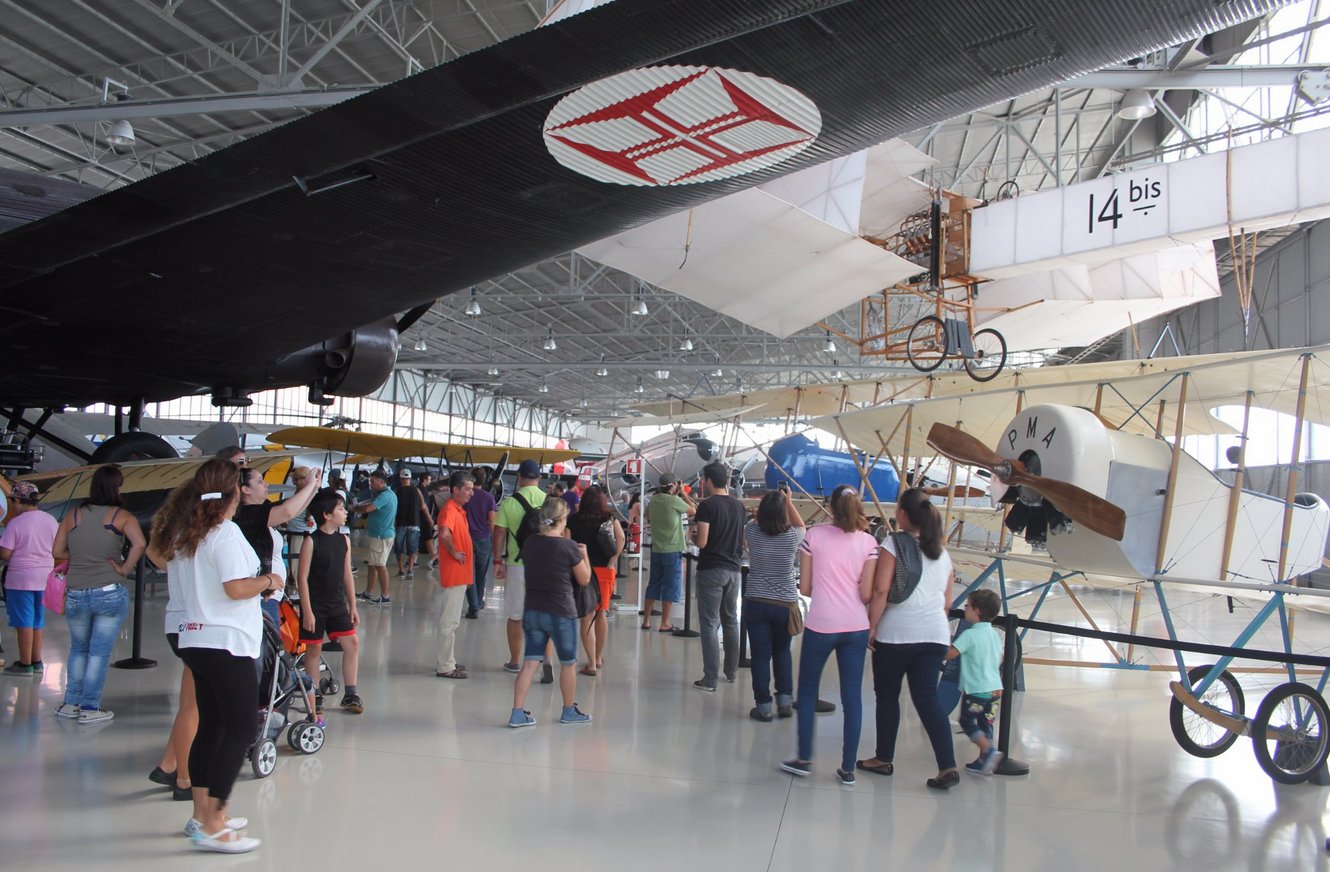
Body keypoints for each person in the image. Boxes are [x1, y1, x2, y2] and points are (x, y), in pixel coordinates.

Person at [150, 458, 280, 854]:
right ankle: (213, 824)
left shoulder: (192, 533)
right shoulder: (224, 535)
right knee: (240, 730)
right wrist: (269, 580)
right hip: (226, 642)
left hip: (197, 639)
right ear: (234, 494)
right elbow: (235, 588)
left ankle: (205, 814)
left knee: (213, 727)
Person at [857, 487, 959, 790]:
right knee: (927, 698)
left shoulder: (893, 544)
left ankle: (883, 759)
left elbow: (881, 590)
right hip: (935, 635)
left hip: (897, 634)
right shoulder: (943, 553)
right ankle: (947, 765)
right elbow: (947, 603)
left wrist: (871, 626)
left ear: (903, 514)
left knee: (888, 696)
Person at [780, 489, 877, 786]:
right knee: (852, 698)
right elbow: (865, 593)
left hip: (822, 624)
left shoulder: (815, 536)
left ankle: (804, 758)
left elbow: (805, 588)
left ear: (830, 507)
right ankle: (848, 767)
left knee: (807, 692)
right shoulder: (869, 542)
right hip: (856, 626)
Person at [51, 464, 146, 723]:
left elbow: (57, 551)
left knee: (78, 649)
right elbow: (140, 543)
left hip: (77, 591)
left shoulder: (74, 515)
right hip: (108, 591)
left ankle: (70, 704)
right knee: (98, 653)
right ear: (116, 487)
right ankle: (90, 708)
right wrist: (125, 567)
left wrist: (81, 556)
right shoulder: (122, 516)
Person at [508, 498, 593, 728]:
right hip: (561, 612)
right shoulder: (568, 547)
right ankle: (568, 710)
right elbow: (584, 579)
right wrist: (584, 555)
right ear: (562, 520)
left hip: (533, 610)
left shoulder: (531, 543)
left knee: (530, 663)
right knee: (568, 663)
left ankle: (517, 712)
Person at [743, 488, 805, 721]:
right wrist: (787, 501)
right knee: (782, 652)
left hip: (756, 600)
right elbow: (801, 525)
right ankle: (785, 700)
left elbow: (757, 521)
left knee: (760, 656)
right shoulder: (792, 536)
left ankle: (763, 706)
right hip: (784, 603)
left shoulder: (752, 531)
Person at [297, 491, 362, 713]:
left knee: (351, 643)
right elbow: (301, 578)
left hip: (336, 603)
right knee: (313, 650)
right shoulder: (310, 541)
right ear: (327, 515)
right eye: (341, 509)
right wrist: (307, 611)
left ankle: (351, 694)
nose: (345, 512)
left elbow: (346, 575)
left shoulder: (344, 540)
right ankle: (314, 695)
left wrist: (352, 605)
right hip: (315, 604)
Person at [234, 465, 321, 621]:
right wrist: (309, 486)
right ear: (246, 490)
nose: (266, 484)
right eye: (260, 481)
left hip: (269, 594)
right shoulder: (247, 513)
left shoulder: (261, 509)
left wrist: (313, 488)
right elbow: (287, 511)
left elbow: (293, 510)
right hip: (260, 596)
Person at [691, 462, 746, 692]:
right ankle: (731, 672)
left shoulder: (707, 506)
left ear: (709, 481)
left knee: (710, 624)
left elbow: (702, 541)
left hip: (712, 569)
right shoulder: (739, 506)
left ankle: (710, 678)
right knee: (730, 620)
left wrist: (693, 536)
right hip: (734, 570)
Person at [494, 459, 552, 677]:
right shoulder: (549, 502)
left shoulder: (509, 503)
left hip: (518, 564)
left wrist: (497, 561)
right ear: (539, 478)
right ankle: (546, 660)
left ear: (519, 477)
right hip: (545, 567)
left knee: (516, 616)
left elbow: (499, 533)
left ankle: (516, 661)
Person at [1, 481, 58, 676]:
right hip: (45, 578)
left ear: (18, 500)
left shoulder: (15, 523)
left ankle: (25, 664)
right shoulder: (51, 520)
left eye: (12, 502)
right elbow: (57, 548)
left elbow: (5, 554)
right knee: (37, 619)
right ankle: (37, 661)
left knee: (23, 621)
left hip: (21, 579)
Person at [566, 485, 624, 674]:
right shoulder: (609, 518)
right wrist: (612, 560)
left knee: (586, 616)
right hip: (605, 570)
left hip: (582, 569)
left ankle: (590, 663)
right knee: (601, 613)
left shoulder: (574, 520)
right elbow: (621, 538)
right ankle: (598, 658)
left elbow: (567, 543)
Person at [946, 589, 1004, 775]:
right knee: (986, 723)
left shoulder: (970, 635)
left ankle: (988, 751)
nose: (965, 609)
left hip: (977, 691)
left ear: (977, 611)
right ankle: (983, 761)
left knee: (967, 721)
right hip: (995, 689)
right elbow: (1001, 658)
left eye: (968, 606)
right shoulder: (994, 634)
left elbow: (951, 654)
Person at [642, 473, 694, 632]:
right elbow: (693, 510)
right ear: (673, 485)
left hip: (657, 549)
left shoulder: (654, 500)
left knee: (654, 583)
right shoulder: (674, 500)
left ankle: (646, 620)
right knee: (670, 585)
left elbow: (648, 518)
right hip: (672, 549)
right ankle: (665, 622)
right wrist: (684, 494)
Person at [434, 471, 474, 679]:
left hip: (460, 574)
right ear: (455, 489)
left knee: (452, 622)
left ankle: (449, 660)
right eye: (466, 489)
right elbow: (444, 532)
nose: (470, 493)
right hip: (454, 573)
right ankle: (445, 665)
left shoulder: (458, 510)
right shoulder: (450, 510)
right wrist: (453, 552)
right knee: (449, 622)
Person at [355, 471, 397, 604]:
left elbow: (369, 509)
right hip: (379, 535)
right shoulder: (388, 494)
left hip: (381, 536)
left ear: (381, 481)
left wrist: (354, 508)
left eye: (372, 482)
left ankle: (385, 596)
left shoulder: (384, 496)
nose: (371, 485)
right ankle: (368, 592)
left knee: (379, 565)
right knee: (372, 565)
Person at [463, 465, 496, 619]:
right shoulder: (489, 498)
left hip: (467, 538)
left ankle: (473, 605)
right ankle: (478, 601)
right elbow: (491, 521)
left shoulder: (465, 495)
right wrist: (496, 541)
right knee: (481, 573)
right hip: (483, 539)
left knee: (469, 573)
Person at [283, 467, 317, 580]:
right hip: (297, 532)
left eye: (296, 479)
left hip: (300, 534)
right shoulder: (300, 492)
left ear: (304, 479)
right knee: (296, 562)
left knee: (297, 563)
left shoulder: (308, 493)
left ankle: (298, 590)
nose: (295, 482)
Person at [393, 468, 427, 580]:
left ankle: (401, 570)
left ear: (401, 479)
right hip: (414, 523)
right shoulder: (417, 491)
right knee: (412, 548)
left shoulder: (396, 491)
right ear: (410, 479)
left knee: (399, 548)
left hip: (400, 523)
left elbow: (393, 507)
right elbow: (423, 506)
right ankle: (410, 570)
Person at [417, 471, 438, 569]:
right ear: (425, 480)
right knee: (429, 538)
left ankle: (412, 560)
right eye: (429, 479)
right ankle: (435, 559)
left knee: (423, 539)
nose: (430, 481)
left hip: (419, 518)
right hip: (424, 518)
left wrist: (432, 493)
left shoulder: (419, 488)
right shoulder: (423, 490)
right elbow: (424, 506)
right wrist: (429, 518)